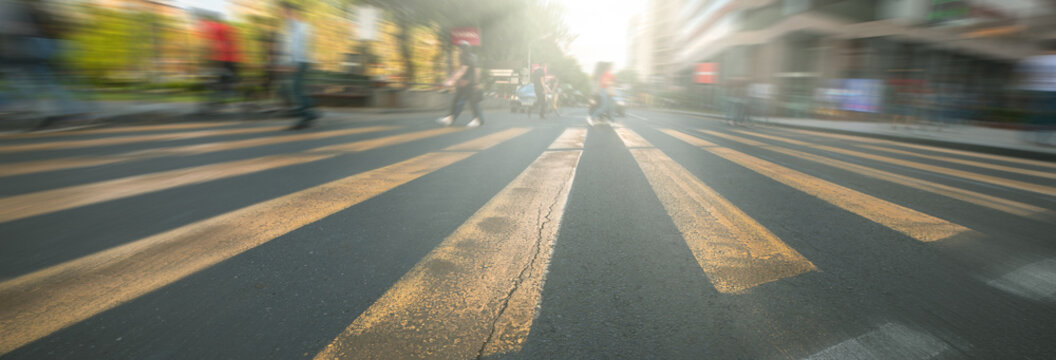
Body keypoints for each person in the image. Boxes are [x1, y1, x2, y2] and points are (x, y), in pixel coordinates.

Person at [278, 1, 319, 130]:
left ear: (291, 11)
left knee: (295, 89)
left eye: (285, 12)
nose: (283, 14)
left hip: (301, 62)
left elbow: (301, 47)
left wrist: (295, 62)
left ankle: (306, 117)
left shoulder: (301, 27)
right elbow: (288, 47)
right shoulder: (291, 27)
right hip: (297, 62)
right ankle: (311, 113)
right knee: (296, 89)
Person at [198, 12, 242, 114]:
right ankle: (224, 95)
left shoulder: (218, 28)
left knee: (225, 79)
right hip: (228, 59)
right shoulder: (223, 29)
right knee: (224, 79)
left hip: (227, 59)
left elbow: (217, 44)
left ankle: (226, 94)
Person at [1016, 39, 1056, 145]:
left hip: (1036, 90)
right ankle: (1043, 138)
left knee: (1036, 113)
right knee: (1050, 116)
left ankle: (1026, 133)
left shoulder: (1035, 59)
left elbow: (1022, 73)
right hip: (1052, 91)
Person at [437, 41, 483, 128]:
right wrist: (476, 82)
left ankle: (477, 120)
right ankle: (451, 118)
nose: (459, 50)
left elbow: (462, 70)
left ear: (463, 49)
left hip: (467, 83)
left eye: (460, 49)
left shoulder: (465, 57)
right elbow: (476, 70)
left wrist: (452, 81)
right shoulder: (472, 57)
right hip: (467, 83)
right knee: (459, 100)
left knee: (468, 102)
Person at [587, 62, 615, 126]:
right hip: (604, 91)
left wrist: (611, 83)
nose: (613, 67)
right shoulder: (606, 74)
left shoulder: (609, 74)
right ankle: (592, 117)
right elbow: (604, 83)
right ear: (608, 67)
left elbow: (609, 82)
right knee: (604, 107)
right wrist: (611, 83)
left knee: (611, 107)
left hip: (607, 91)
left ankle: (612, 120)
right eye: (612, 66)